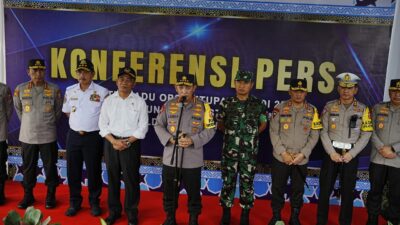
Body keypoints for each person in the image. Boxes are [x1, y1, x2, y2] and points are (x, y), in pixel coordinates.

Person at [154, 74, 216, 225]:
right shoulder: (168, 105)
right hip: (171, 158)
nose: (184, 90)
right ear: (176, 88)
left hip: (192, 160)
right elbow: (158, 125)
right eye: (180, 87)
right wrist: (170, 139)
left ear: (194, 88)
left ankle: (193, 219)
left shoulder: (203, 106)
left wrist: (193, 140)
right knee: (169, 192)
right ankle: (170, 218)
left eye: (187, 87)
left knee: (194, 193)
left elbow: (211, 129)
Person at [317, 72, 373, 225]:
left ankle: (345, 222)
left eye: (350, 88)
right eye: (343, 87)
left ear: (356, 90)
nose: (346, 91)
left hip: (350, 155)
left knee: (348, 193)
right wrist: (331, 153)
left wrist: (352, 154)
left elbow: (366, 133)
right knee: (325, 191)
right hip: (331, 154)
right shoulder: (329, 106)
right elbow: (323, 131)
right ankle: (321, 222)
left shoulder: (363, 109)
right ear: (338, 88)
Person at [216, 71, 267, 225]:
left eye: (245, 83)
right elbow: (220, 124)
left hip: (249, 154)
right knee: (228, 183)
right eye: (239, 82)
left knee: (247, 184)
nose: (242, 86)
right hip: (229, 153)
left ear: (251, 85)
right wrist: (232, 135)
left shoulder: (259, 104)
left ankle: (245, 216)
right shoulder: (226, 103)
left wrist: (251, 136)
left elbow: (263, 123)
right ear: (235, 83)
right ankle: (226, 215)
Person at [99, 67, 148, 225]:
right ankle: (114, 212)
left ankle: (132, 213)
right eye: (121, 79)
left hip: (131, 145)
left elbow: (143, 128)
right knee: (112, 179)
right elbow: (102, 125)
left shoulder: (139, 102)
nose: (124, 82)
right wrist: (114, 141)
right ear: (116, 81)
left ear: (133, 83)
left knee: (131, 180)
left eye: (128, 80)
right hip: (111, 144)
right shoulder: (108, 101)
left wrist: (126, 142)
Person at [268, 79, 322, 225]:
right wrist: (282, 153)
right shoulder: (279, 108)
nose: (298, 94)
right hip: (281, 158)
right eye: (296, 91)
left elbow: (314, 135)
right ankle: (276, 217)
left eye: (302, 91)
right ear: (290, 91)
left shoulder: (313, 111)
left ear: (306, 92)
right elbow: (273, 131)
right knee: (278, 188)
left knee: (297, 189)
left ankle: (294, 217)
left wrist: (303, 153)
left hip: (300, 159)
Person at [13, 59, 63, 209]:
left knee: (50, 167)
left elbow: (58, 112)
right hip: (27, 136)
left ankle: (51, 195)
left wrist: (45, 123)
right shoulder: (20, 89)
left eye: (41, 70)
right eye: (34, 70)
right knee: (28, 167)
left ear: (45, 71)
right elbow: (18, 110)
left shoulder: (54, 89)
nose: (37, 74)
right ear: (28, 72)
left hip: (48, 136)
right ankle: (28, 195)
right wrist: (30, 123)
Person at [63, 59, 109, 217]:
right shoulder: (70, 90)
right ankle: (74, 202)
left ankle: (94, 202)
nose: (82, 75)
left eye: (86, 72)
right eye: (79, 72)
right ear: (76, 74)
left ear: (93, 74)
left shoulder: (102, 92)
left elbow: (106, 116)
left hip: (93, 137)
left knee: (93, 170)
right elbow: (68, 112)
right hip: (74, 136)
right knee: (73, 171)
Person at [366, 79, 400, 225]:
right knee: (375, 192)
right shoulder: (378, 108)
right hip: (378, 158)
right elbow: (369, 130)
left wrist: (394, 149)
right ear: (389, 92)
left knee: (396, 194)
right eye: (394, 91)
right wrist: (381, 147)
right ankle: (372, 220)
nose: (397, 94)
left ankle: (393, 220)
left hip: (397, 160)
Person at [0, 82, 13, 205]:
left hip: (0, 136)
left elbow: (9, 110)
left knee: (0, 166)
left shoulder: (4, 89)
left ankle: (0, 195)